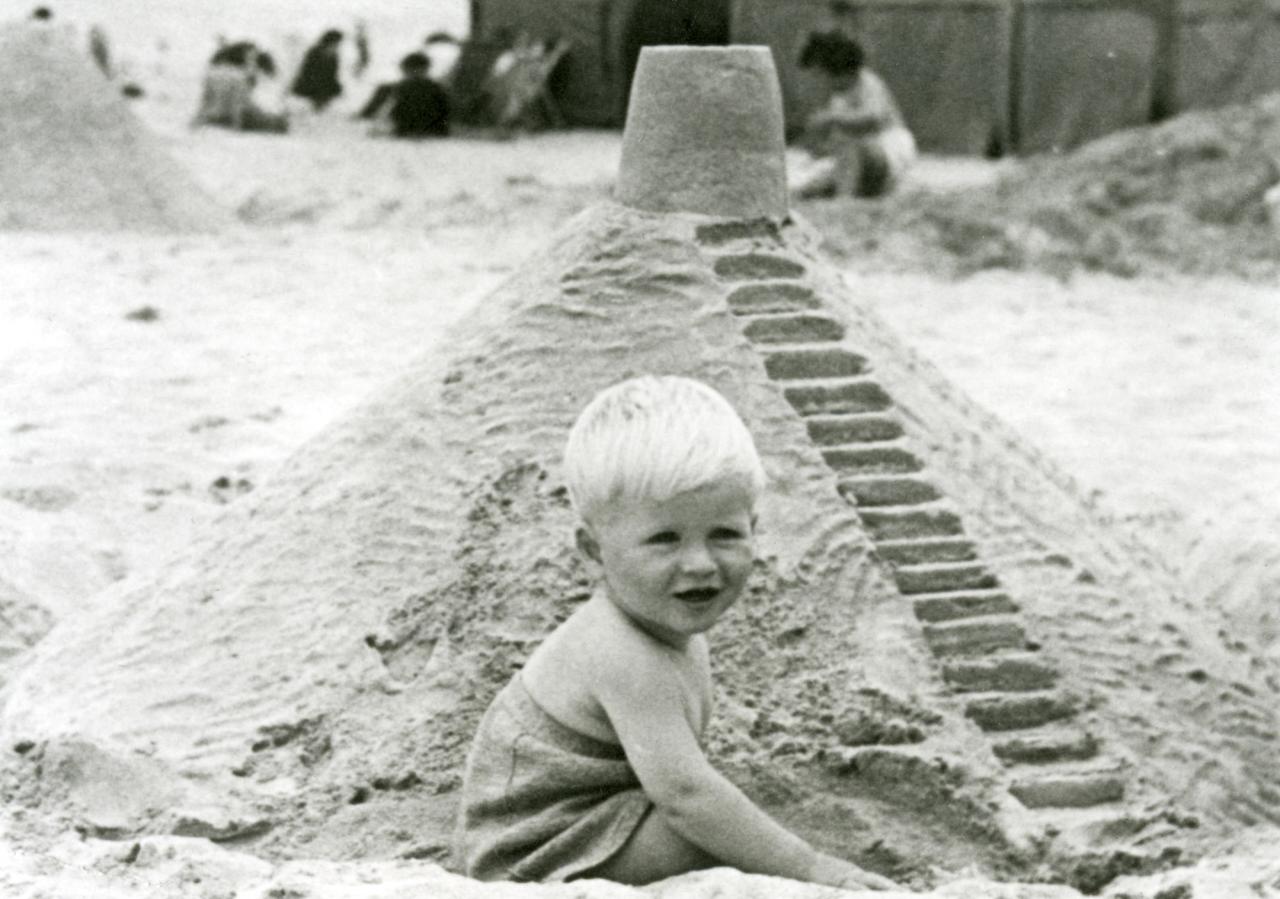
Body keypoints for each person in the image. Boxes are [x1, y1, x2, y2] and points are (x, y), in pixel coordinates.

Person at [456, 376, 901, 890]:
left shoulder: (666, 631)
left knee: (729, 824)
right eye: (664, 539)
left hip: (606, 817)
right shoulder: (619, 652)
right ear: (593, 548)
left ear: (754, 527)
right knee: (706, 830)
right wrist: (812, 870)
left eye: (726, 534)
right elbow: (687, 798)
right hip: (533, 856)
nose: (699, 564)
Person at [794, 31, 916, 199]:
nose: (819, 81)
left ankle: (844, 198)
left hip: (889, 150)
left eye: (820, 74)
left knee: (848, 144)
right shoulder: (838, 97)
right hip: (857, 161)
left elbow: (874, 116)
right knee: (811, 184)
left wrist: (832, 117)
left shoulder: (867, 82)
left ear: (837, 70)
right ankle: (839, 190)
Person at [193, 42, 288, 133]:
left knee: (274, 118)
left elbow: (206, 103)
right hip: (234, 117)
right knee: (280, 122)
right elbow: (239, 106)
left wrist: (198, 120)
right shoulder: (240, 77)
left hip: (217, 116)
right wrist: (236, 127)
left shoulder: (217, 74)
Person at [357, 52, 449, 138]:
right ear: (427, 68)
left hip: (403, 130)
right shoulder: (439, 88)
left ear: (404, 68)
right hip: (436, 130)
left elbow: (369, 113)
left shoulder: (391, 88)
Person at [291, 29, 343, 111]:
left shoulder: (334, 57)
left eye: (337, 44)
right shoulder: (314, 53)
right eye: (335, 43)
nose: (336, 46)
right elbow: (307, 72)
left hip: (325, 83)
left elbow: (333, 74)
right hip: (310, 82)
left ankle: (322, 104)